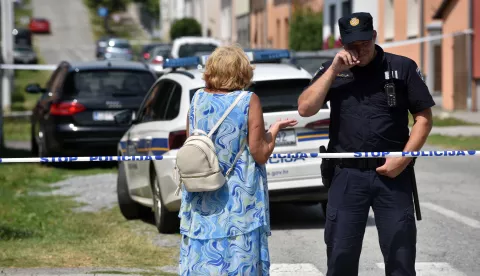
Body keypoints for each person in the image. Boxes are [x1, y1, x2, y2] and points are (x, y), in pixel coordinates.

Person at [298, 12, 435, 276]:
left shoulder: (402, 67)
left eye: (364, 42)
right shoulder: (333, 70)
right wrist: (334, 70)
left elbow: (424, 119)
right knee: (340, 259)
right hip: (346, 176)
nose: (358, 50)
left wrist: (404, 159)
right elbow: (305, 108)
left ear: (374, 36)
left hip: (392, 174)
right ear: (342, 43)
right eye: (351, 45)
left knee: (401, 260)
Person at [179, 44, 297, 275]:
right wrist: (273, 131)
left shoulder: (196, 99)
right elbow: (259, 153)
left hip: (201, 197)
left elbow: (193, 143)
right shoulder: (247, 101)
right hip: (239, 203)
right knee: (238, 263)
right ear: (242, 71)